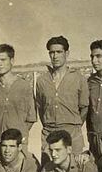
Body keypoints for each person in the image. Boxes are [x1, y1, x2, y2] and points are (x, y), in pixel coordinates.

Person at [36, 36, 89, 165]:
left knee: (73, 171)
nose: (55, 56)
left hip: (72, 133)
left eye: (59, 52)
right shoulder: (42, 80)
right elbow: (40, 108)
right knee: (48, 171)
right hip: (49, 133)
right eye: (52, 52)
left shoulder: (78, 79)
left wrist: (73, 125)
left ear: (67, 53)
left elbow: (84, 107)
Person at [0, 44, 36, 153]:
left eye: (3, 60)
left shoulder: (24, 86)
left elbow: (31, 117)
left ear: (12, 60)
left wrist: (18, 133)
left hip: (17, 143)